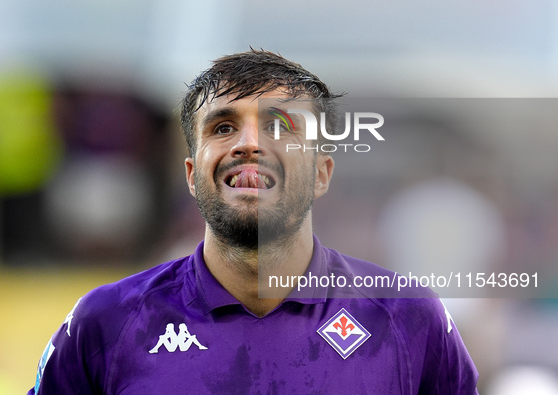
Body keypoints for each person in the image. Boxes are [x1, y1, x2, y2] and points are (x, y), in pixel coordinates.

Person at [28, 50, 479, 394]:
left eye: (280, 126)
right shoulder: (107, 322)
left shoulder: (407, 319)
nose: (249, 144)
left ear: (321, 174)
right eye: (222, 127)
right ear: (191, 174)